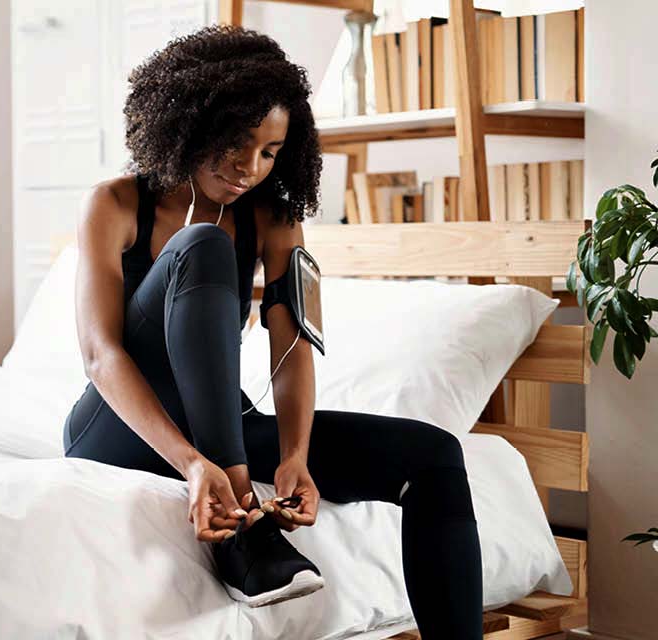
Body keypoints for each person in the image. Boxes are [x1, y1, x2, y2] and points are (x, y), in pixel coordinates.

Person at [61, 24, 484, 639]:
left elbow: (291, 347)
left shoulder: (275, 218)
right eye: (237, 141)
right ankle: (244, 529)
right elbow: (100, 356)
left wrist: (295, 455)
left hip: (218, 426)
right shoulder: (116, 204)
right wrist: (194, 466)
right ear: (189, 120)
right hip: (119, 427)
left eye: (270, 151)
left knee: (436, 457)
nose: (248, 167)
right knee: (200, 244)